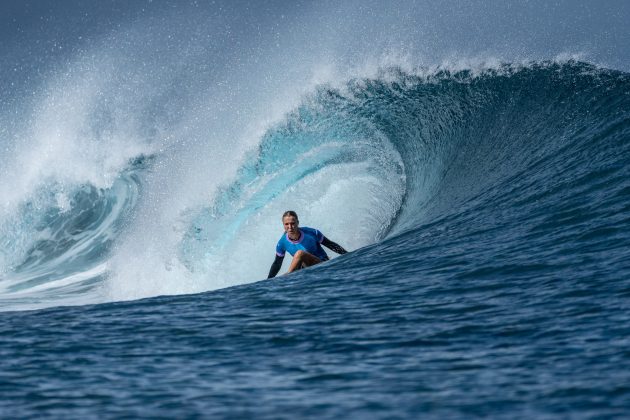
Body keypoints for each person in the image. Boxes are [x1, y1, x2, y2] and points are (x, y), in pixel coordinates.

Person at [267, 210, 347, 278]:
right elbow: (277, 263)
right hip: (304, 270)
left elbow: (330, 244)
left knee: (299, 253)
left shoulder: (311, 233)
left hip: (322, 264)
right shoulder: (282, 242)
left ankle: (287, 276)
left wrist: (348, 255)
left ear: (298, 223)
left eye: (292, 223)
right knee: (299, 259)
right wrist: (268, 281)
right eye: (286, 224)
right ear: (283, 225)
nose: (290, 227)